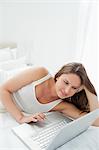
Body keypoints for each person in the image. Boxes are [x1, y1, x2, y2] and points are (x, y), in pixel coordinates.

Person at [0, 62, 99, 126]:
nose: (67, 91)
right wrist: (21, 118)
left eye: (74, 88)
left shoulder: (62, 106)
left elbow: (96, 122)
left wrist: (88, 87)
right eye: (66, 82)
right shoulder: (40, 73)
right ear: (58, 76)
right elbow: (4, 89)